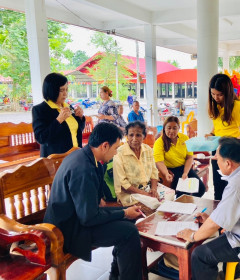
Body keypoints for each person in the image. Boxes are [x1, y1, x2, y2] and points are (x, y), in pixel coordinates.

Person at [43, 122, 144, 280]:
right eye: (116, 148)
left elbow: (92, 207)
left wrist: (124, 212)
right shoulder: (83, 168)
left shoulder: (87, 157)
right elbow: (89, 217)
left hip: (78, 217)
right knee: (129, 232)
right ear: (104, 146)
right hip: (68, 230)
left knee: (129, 221)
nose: (116, 153)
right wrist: (123, 212)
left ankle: (115, 276)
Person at [177, 137, 240, 280]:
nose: (216, 162)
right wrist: (212, 220)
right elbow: (227, 215)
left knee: (200, 255)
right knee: (214, 235)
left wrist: (192, 236)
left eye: (217, 159)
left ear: (227, 163)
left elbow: (215, 223)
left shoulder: (237, 184)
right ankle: (226, 274)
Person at [205, 73, 240, 200]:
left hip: (233, 151)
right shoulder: (215, 105)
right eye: (213, 94)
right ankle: (218, 216)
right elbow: (217, 126)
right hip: (217, 147)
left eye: (219, 94)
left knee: (233, 189)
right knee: (218, 187)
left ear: (228, 92)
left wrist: (226, 148)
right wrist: (211, 134)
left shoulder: (237, 107)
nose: (216, 97)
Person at [32, 73, 85, 157]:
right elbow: (41, 138)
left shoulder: (67, 106)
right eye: (61, 90)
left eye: (66, 90)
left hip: (75, 155)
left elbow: (76, 130)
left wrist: (80, 117)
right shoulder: (40, 110)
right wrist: (59, 120)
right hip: (56, 159)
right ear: (51, 90)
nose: (65, 94)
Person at [153, 116, 206, 198]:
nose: (171, 131)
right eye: (169, 128)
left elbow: (189, 157)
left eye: (174, 128)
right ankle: (181, 208)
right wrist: (166, 173)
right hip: (169, 170)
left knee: (201, 189)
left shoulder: (184, 138)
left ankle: (189, 206)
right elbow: (159, 162)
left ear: (178, 128)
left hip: (184, 167)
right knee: (183, 192)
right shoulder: (159, 142)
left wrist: (185, 173)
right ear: (164, 128)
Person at [113, 121, 159, 206]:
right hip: (129, 194)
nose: (134, 139)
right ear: (126, 136)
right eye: (131, 135)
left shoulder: (148, 150)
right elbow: (123, 184)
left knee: (166, 200)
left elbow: (154, 172)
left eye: (138, 135)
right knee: (150, 207)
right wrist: (145, 194)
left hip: (147, 189)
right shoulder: (119, 153)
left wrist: (154, 190)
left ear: (144, 136)